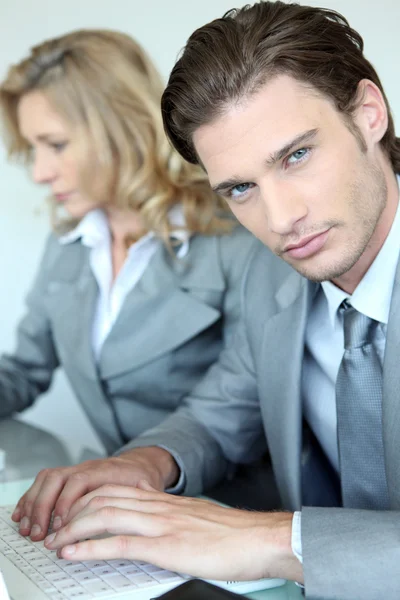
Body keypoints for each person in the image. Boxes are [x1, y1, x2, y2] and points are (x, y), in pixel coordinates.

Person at [15, 3, 400, 598]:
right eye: (241, 188)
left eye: (296, 155)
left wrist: (272, 540)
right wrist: (142, 463)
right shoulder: (272, 279)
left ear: (368, 113)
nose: (280, 220)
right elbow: (221, 412)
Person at [0, 30, 261, 537]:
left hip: (229, 519)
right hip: (120, 516)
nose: (40, 172)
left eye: (54, 145)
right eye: (32, 149)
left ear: (117, 126)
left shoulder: (235, 237)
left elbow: (237, 407)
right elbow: (26, 369)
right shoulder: (71, 244)